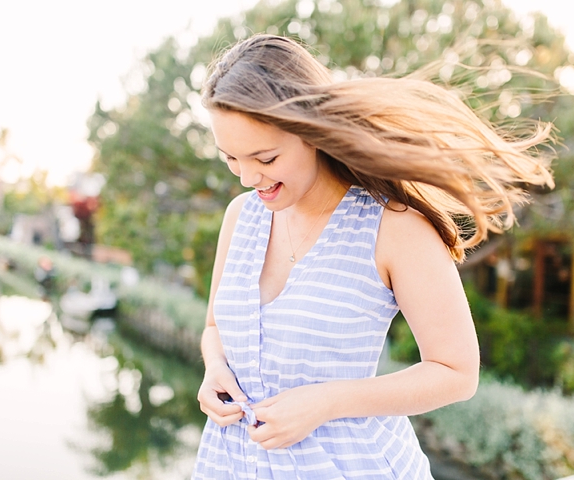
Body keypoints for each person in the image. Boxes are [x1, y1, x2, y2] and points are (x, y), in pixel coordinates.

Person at [192, 34, 553, 479]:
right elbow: (215, 328)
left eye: (264, 157)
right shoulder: (239, 217)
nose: (248, 177)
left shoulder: (394, 227)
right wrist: (213, 371)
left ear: (311, 132)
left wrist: (325, 402)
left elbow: (458, 372)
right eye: (230, 159)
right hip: (231, 466)